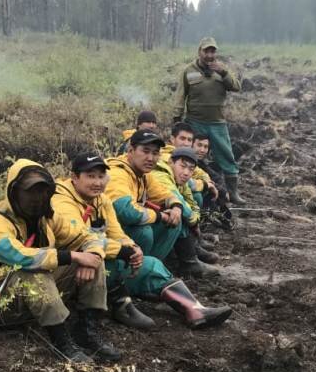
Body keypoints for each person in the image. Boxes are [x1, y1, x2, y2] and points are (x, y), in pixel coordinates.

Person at [52, 152, 232, 329]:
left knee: (149, 262)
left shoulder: (101, 199)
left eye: (100, 176)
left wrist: (131, 247)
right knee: (110, 259)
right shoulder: (62, 201)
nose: (98, 182)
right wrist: (124, 251)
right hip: (67, 269)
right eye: (90, 176)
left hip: (95, 258)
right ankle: (115, 308)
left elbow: (116, 232)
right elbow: (79, 239)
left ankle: (195, 310)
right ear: (74, 177)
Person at [0, 159, 120, 364]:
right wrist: (72, 256)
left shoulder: (46, 216)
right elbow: (21, 257)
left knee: (92, 259)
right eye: (30, 192)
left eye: (43, 191)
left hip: (24, 298)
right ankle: (61, 341)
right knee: (35, 274)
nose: (37, 198)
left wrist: (93, 255)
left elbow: (87, 236)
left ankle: (86, 329)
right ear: (14, 191)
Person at [175, 37, 245, 204]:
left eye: (212, 51)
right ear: (200, 52)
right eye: (206, 51)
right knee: (191, 155)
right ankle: (193, 188)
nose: (209, 55)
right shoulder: (188, 71)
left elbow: (236, 87)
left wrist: (223, 72)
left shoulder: (222, 70)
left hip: (217, 123)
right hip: (195, 121)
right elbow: (180, 95)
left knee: (226, 155)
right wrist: (177, 117)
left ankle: (233, 193)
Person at [105, 130, 185, 261]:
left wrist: (176, 207)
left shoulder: (143, 173)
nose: (150, 158)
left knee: (174, 221)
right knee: (144, 232)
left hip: (122, 229)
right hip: (104, 234)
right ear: (131, 151)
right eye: (145, 151)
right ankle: (134, 273)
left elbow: (164, 194)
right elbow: (126, 212)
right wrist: (160, 216)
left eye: (155, 153)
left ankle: (152, 267)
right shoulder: (117, 174)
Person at [150, 146, 218, 275]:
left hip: (153, 219)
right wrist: (193, 222)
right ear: (171, 162)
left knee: (186, 209)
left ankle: (189, 256)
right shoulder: (160, 174)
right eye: (183, 166)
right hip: (145, 222)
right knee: (177, 216)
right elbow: (179, 201)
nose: (186, 173)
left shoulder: (180, 177)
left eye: (191, 169)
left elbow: (190, 201)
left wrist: (195, 220)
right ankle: (161, 264)